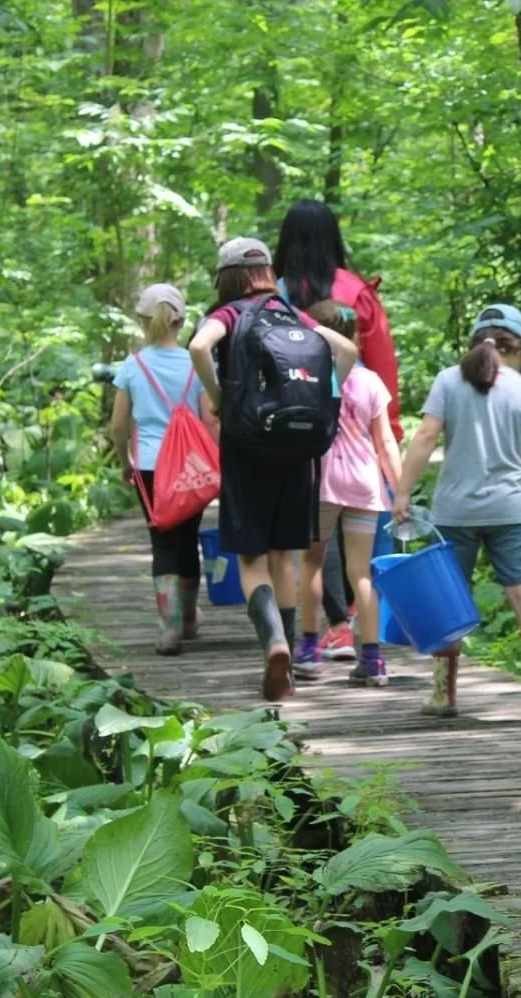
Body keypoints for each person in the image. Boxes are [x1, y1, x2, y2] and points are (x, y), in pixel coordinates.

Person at [188, 238, 358, 703]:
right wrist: (325, 400)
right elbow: (346, 351)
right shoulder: (292, 315)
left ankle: (274, 644)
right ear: (266, 272)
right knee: (284, 555)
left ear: (226, 277)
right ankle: (289, 655)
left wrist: (220, 398)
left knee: (251, 558)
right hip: (298, 449)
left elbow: (199, 347)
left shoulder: (228, 315)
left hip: (248, 446)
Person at [393, 304, 521, 722]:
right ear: (518, 348)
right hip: (510, 509)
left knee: (448, 596)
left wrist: (402, 493)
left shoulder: (448, 381)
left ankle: (443, 695)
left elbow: (425, 437)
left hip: (455, 511)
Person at [292, 302, 402, 687]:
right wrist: (399, 491)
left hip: (322, 478)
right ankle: (372, 659)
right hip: (364, 480)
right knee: (361, 572)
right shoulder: (370, 381)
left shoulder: (307, 376)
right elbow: (385, 442)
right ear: (352, 335)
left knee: (312, 562)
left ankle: (308, 650)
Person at [110, 284, 213, 656]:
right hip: (190, 467)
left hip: (151, 466)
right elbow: (210, 419)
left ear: (142, 320)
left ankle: (169, 628)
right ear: (181, 321)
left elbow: (118, 425)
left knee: (163, 541)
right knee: (188, 538)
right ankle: (189, 619)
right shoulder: (195, 363)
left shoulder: (133, 366)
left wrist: (126, 463)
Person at [273, 199, 402, 439]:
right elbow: (382, 362)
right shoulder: (358, 292)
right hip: (352, 419)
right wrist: (391, 431)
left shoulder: (271, 295)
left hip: (286, 416)